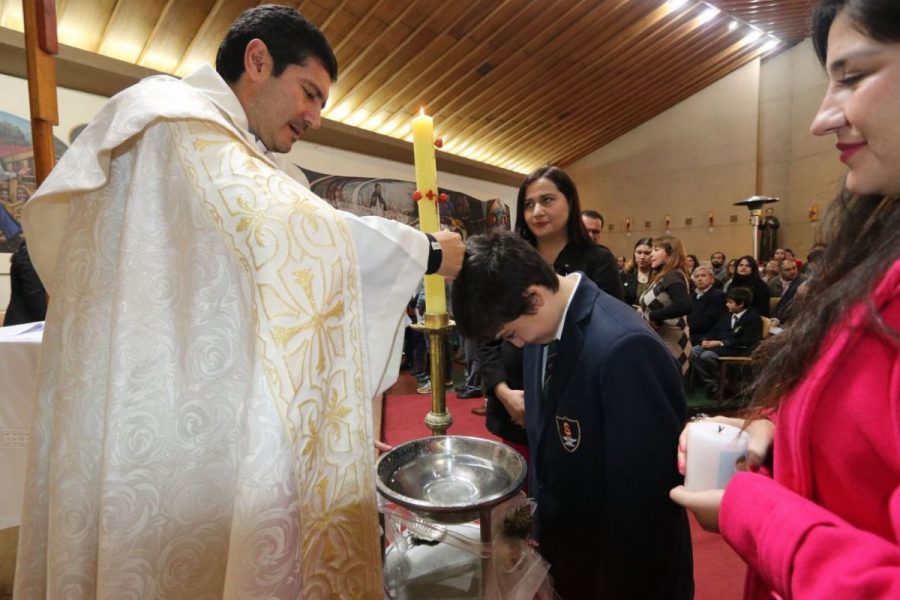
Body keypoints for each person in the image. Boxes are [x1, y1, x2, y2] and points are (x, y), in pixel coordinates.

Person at [14, 6, 464, 598]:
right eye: (309, 92)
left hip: (201, 399)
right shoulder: (172, 120)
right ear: (257, 61)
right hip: (161, 404)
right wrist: (425, 251)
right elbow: (301, 231)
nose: (317, 117)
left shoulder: (236, 155)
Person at [671, 1, 900, 598]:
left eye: (851, 78)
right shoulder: (878, 254)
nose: (821, 120)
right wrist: (773, 429)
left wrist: (751, 511)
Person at [453, 232, 693, 599]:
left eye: (512, 333)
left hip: (620, 573)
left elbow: (644, 507)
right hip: (571, 560)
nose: (516, 344)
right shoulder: (543, 332)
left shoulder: (624, 348)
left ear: (533, 296)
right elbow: (547, 454)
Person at [688, 287, 763, 397]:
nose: (726, 305)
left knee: (707, 355)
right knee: (694, 351)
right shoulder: (726, 316)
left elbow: (747, 341)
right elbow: (713, 331)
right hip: (721, 347)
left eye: (730, 302)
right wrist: (705, 340)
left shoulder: (753, 319)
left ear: (741, 304)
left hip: (739, 349)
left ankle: (726, 382)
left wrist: (720, 343)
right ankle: (714, 383)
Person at [639, 234, 693, 374]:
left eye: (656, 250)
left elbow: (685, 305)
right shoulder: (663, 276)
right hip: (661, 340)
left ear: (670, 254)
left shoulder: (672, 275)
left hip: (672, 343)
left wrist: (655, 316)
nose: (651, 254)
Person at [3, 239, 47, 326]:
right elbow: (37, 302)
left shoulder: (32, 253)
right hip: (23, 330)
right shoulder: (31, 256)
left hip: (28, 326)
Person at [687, 263, 727, 346]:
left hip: (706, 336)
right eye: (697, 276)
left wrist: (687, 329)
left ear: (712, 279)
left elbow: (709, 320)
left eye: (703, 276)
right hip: (690, 333)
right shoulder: (691, 295)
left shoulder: (718, 295)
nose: (699, 279)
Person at [621, 237, 654, 306]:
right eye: (639, 252)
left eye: (647, 253)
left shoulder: (660, 276)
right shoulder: (624, 274)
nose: (642, 257)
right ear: (634, 254)